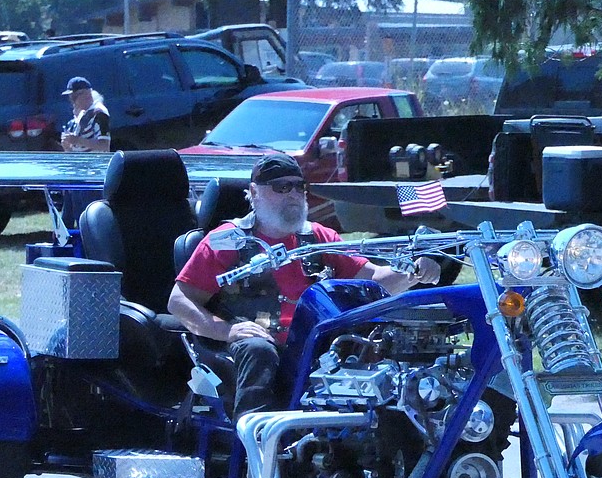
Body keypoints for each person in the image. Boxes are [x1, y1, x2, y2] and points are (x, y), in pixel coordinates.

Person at [169, 152, 442, 419]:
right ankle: (254, 451)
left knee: (381, 346)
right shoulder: (226, 241)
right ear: (254, 192)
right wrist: (226, 330)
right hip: (255, 345)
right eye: (281, 187)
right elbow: (179, 300)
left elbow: (373, 281)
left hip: (316, 341)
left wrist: (413, 273)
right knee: (259, 350)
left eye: (299, 187)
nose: (293, 194)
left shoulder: (319, 237)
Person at [59, 77, 110, 152]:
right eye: (70, 98)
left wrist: (77, 140)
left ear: (87, 94)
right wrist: (67, 146)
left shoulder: (99, 113)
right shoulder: (80, 114)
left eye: (74, 97)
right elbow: (75, 149)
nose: (72, 101)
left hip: (95, 162)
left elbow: (104, 145)